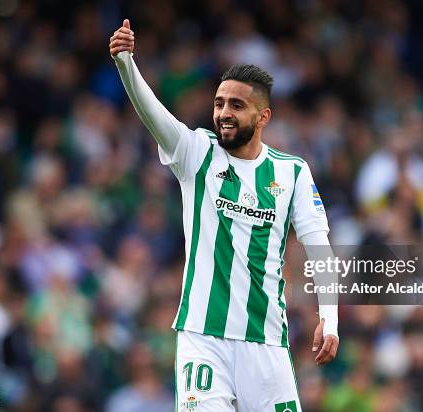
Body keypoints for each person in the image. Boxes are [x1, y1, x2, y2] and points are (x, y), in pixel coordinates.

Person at [109, 19, 339, 412]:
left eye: (236, 105)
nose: (223, 113)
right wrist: (125, 62)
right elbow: (153, 115)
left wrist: (329, 319)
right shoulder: (197, 153)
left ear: (263, 116)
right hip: (203, 337)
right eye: (219, 104)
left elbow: (320, 246)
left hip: (265, 341)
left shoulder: (292, 171)